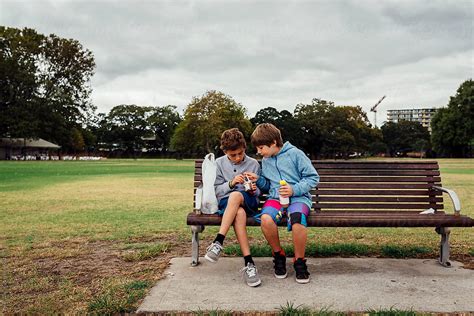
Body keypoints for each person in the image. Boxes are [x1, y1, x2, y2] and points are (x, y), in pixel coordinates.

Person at [245, 123, 319, 284]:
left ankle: (299, 261)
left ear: (273, 143)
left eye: (261, 147)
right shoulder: (266, 160)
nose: (258, 152)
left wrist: (294, 190)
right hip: (275, 198)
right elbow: (268, 186)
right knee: (266, 219)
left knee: (298, 219)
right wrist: (259, 180)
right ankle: (279, 254)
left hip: (298, 198)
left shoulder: (295, 154)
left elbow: (313, 178)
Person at [204, 128, 262, 287]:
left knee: (237, 196)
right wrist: (231, 183)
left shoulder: (253, 164)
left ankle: (218, 241)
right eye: (232, 155)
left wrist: (253, 189)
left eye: (240, 154)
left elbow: (259, 192)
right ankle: (249, 263)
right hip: (226, 203)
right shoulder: (218, 164)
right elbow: (215, 191)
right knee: (239, 213)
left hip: (249, 200)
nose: (237, 158)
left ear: (244, 148)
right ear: (225, 152)